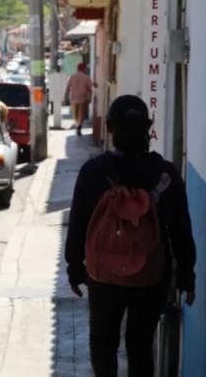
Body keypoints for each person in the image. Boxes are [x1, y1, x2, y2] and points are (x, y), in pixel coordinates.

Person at [64, 95, 196, 377]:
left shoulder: (93, 172)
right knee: (140, 346)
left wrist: (75, 268)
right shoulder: (165, 174)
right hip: (151, 276)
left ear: (111, 129)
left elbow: (78, 224)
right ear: (147, 129)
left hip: (103, 277)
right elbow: (181, 229)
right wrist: (187, 276)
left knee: (103, 344)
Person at [66, 62, 93, 135]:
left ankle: (77, 125)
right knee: (82, 114)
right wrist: (90, 98)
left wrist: (66, 98)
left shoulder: (72, 76)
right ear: (84, 69)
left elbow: (68, 87)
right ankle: (79, 127)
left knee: (75, 114)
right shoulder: (86, 77)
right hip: (83, 98)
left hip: (73, 98)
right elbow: (90, 88)